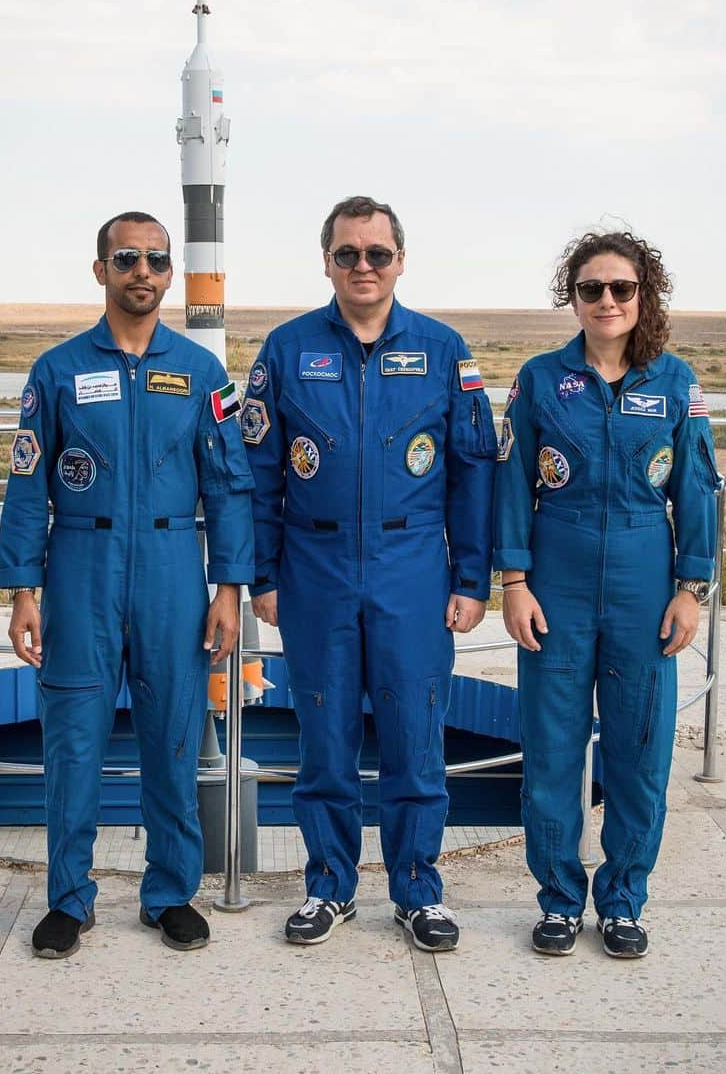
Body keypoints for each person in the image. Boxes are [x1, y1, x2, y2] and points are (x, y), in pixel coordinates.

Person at [0, 211, 254, 958]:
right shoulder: (59, 371)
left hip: (176, 569)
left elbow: (231, 486)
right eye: (127, 258)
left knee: (173, 733)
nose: (143, 271)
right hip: (81, 567)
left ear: (171, 274)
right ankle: (69, 899)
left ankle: (170, 892)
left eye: (156, 260)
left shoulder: (202, 373)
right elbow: (26, 486)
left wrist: (230, 585)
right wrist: (22, 589)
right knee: (72, 739)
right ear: (101, 269)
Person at [243, 195, 497, 951]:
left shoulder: (444, 349)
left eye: (376, 253)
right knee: (323, 739)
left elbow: (472, 473)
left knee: (416, 737)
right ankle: (329, 888)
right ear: (326, 260)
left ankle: (419, 892)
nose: (363, 266)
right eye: (347, 253)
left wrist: (473, 579)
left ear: (400, 261)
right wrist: (262, 574)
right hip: (314, 567)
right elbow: (258, 473)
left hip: (413, 567)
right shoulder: (286, 350)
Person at [493, 231, 719, 959]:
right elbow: (511, 482)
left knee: (640, 751)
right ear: (574, 297)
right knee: (553, 751)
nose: (608, 301)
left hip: (643, 581)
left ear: (642, 294)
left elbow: (697, 490)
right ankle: (559, 899)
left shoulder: (676, 383)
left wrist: (691, 588)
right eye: (592, 289)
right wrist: (515, 580)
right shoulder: (539, 379)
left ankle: (623, 899)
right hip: (554, 579)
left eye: (621, 288)